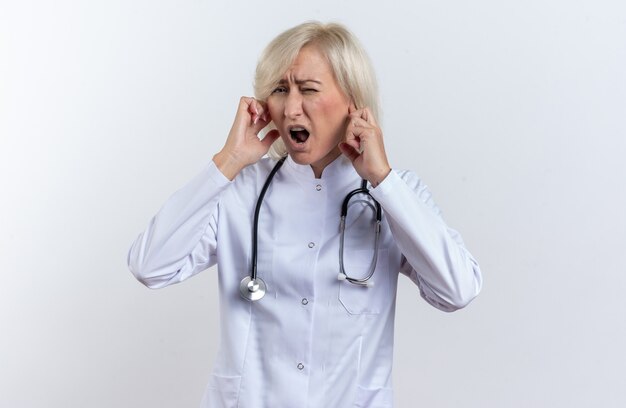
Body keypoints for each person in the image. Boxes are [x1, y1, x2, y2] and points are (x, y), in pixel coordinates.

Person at [128, 21, 482, 408]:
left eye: (308, 90)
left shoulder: (395, 195)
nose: (291, 107)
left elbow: (457, 290)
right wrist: (229, 160)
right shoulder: (241, 191)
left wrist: (383, 179)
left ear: (353, 100)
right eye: (280, 90)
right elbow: (151, 266)